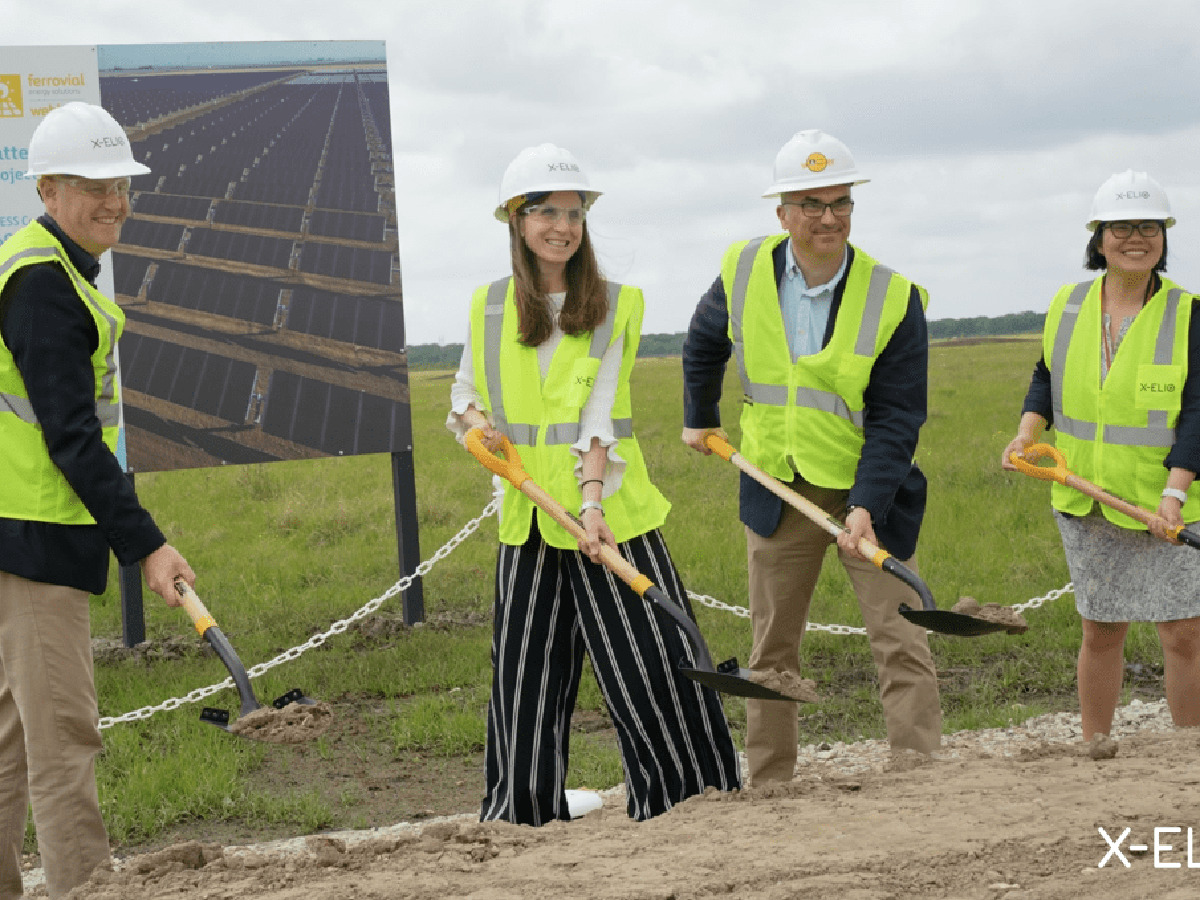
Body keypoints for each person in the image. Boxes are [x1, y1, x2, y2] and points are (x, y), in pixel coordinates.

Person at [448, 143, 742, 826]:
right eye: (546, 211)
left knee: (649, 664)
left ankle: (688, 798)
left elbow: (600, 414)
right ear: (517, 221)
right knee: (524, 678)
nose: (563, 225)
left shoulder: (615, 304)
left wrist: (590, 502)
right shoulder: (489, 307)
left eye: (573, 212)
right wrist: (478, 426)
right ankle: (520, 812)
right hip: (526, 517)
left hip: (611, 515)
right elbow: (463, 395)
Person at [681, 129, 942, 785]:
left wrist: (865, 507)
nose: (828, 217)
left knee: (901, 638)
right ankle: (770, 783)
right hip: (777, 488)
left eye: (840, 202)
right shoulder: (743, 269)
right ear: (783, 213)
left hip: (869, 493)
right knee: (772, 649)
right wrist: (699, 418)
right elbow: (703, 340)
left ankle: (918, 779)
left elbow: (896, 417)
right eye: (811, 203)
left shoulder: (893, 297)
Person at [0, 102, 195, 899]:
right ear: (48, 190)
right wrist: (146, 544)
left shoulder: (41, 266)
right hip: (34, 539)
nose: (114, 200)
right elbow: (72, 437)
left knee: (13, 743)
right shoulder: (45, 286)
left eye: (120, 184)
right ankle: (86, 888)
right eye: (93, 185)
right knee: (61, 739)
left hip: (19, 535)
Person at [1002, 169, 1200, 742]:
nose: (1135, 238)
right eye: (1121, 228)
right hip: (1085, 497)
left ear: (1164, 238)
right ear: (1098, 237)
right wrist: (1026, 431)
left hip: (1167, 505)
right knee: (1101, 628)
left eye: (1148, 227)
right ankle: (1095, 748)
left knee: (1183, 632)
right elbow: (1047, 375)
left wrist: (1175, 493)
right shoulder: (1067, 305)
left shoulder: (1190, 314)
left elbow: (1198, 412)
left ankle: (1186, 751)